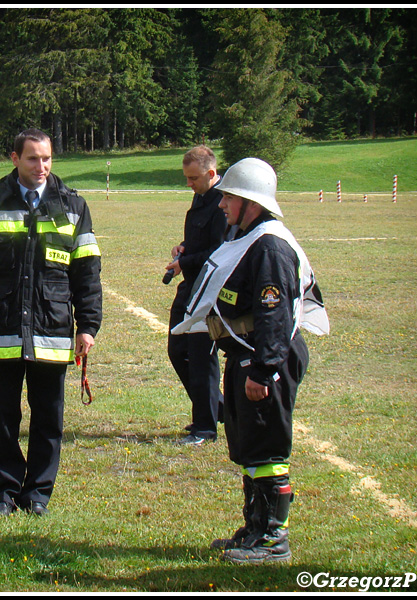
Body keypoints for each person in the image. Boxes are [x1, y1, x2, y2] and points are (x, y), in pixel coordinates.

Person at [171, 158, 328, 564]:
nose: (221, 204)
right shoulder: (249, 236)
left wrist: (263, 370)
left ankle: (273, 539)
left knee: (268, 447)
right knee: (249, 447)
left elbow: (275, 316)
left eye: (229, 198)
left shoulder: (270, 246)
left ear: (250, 203)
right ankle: (255, 528)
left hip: (264, 359)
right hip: (248, 356)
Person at [0, 128, 102, 517]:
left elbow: (87, 273)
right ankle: (4, 493)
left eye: (47, 158)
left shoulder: (73, 207)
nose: (42, 166)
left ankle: (37, 494)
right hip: (0, 330)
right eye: (33, 158)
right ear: (14, 158)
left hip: (51, 332)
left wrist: (87, 326)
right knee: (1, 419)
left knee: (48, 419)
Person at [166, 146, 227, 445]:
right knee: (178, 350)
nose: (188, 184)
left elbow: (220, 251)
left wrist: (184, 262)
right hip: (191, 286)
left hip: (210, 290)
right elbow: (199, 240)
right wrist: (184, 246)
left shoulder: (224, 203)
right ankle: (218, 409)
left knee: (202, 357)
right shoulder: (201, 196)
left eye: (193, 178)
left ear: (211, 174)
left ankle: (205, 427)